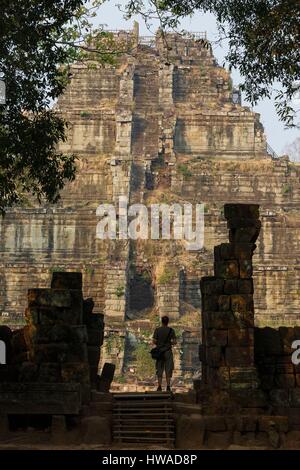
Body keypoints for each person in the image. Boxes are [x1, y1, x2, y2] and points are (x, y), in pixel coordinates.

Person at [152, 316, 176, 392]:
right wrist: (169, 343)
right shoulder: (171, 330)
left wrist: (159, 343)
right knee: (168, 369)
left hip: (159, 352)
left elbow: (154, 341)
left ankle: (159, 386)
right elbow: (175, 342)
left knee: (159, 368)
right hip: (168, 351)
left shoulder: (157, 330)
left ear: (161, 321)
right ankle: (168, 386)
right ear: (168, 322)